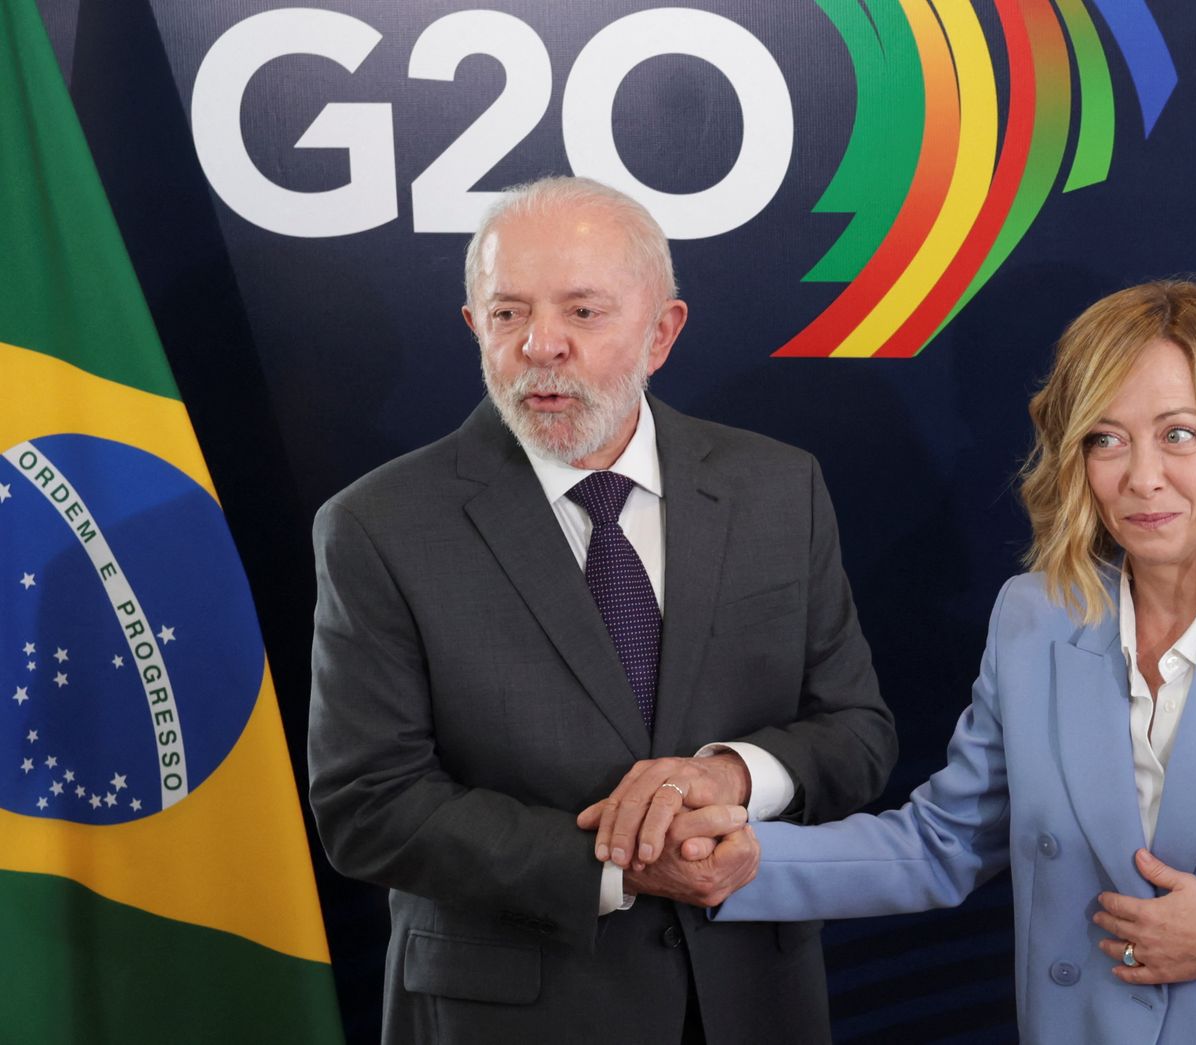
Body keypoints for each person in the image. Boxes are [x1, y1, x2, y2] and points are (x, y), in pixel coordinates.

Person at [704, 280, 1196, 1043]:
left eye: (1178, 433)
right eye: (1105, 439)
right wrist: (740, 861)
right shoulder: (1035, 616)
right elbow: (943, 843)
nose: (1141, 476)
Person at [306, 176, 896, 1044]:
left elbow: (858, 731)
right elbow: (370, 805)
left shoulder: (779, 487)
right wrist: (625, 863)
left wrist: (731, 776)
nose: (541, 345)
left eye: (583, 312)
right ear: (476, 329)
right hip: (507, 1016)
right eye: (508, 314)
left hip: (752, 1003)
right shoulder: (378, 524)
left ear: (662, 332)